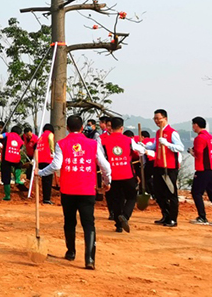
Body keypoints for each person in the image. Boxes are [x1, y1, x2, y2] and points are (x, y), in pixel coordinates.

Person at [39, 114, 111, 270]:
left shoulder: (62, 143)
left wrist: (41, 172)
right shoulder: (93, 143)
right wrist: (107, 181)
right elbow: (105, 165)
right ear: (82, 127)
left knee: (69, 221)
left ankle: (71, 252)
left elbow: (56, 165)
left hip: (68, 190)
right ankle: (90, 258)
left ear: (67, 128)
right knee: (89, 224)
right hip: (87, 190)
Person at [100, 117, 145, 233]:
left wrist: (105, 178)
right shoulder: (128, 140)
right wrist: (140, 147)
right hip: (127, 174)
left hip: (112, 175)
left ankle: (118, 225)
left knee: (116, 199)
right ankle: (125, 216)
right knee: (131, 197)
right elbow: (141, 151)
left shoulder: (103, 141)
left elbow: (101, 158)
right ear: (122, 128)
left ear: (110, 128)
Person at [145, 108, 184, 227]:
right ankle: (165, 215)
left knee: (171, 193)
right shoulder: (158, 132)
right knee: (158, 192)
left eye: (158, 118)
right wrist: (146, 146)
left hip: (169, 167)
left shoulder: (172, 132)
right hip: (158, 166)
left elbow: (180, 147)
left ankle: (173, 218)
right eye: (155, 119)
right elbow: (156, 146)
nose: (156, 121)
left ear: (165, 118)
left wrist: (167, 144)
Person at [189, 116, 212, 227]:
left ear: (196, 125)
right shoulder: (211, 137)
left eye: (193, 125)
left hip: (203, 170)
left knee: (196, 192)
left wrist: (192, 152)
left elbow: (198, 153)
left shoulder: (199, 138)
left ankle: (202, 217)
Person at [0, 124, 24, 201]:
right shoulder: (20, 139)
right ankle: (17, 179)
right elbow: (20, 149)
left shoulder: (8, 134)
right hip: (15, 158)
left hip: (6, 159)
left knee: (6, 177)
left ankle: (7, 196)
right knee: (19, 165)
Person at [36, 124, 55, 204]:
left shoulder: (40, 137)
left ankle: (44, 198)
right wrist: (52, 151)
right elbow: (51, 140)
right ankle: (46, 199)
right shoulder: (50, 134)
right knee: (48, 180)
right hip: (47, 159)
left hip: (40, 160)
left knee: (44, 180)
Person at [139, 129, 155, 196]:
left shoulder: (144, 143)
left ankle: (150, 192)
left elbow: (143, 157)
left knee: (146, 178)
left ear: (142, 137)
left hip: (150, 162)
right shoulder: (153, 142)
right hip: (155, 162)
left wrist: (142, 165)